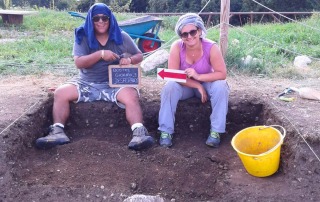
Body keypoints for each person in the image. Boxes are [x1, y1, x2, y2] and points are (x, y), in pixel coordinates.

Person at [35, 3, 154, 151]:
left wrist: (129, 60)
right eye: (96, 18)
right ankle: (58, 131)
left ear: (110, 19)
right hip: (86, 82)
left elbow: (139, 55)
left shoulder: (121, 36)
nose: (101, 21)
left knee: (131, 95)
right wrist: (101, 54)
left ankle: (139, 133)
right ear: (90, 20)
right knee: (60, 92)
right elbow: (79, 62)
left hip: (113, 83)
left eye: (105, 18)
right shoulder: (83, 36)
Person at [158, 13, 229, 148]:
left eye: (192, 32)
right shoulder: (177, 47)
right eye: (184, 34)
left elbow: (222, 74)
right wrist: (197, 85)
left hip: (208, 83)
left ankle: (216, 132)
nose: (189, 36)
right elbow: (172, 75)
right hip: (186, 87)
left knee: (221, 86)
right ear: (181, 36)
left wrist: (199, 78)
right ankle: (165, 132)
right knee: (169, 86)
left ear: (200, 30)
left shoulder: (211, 47)